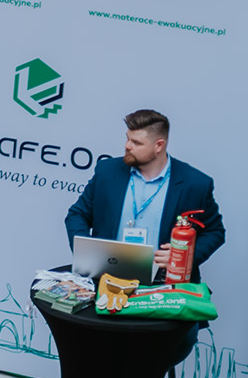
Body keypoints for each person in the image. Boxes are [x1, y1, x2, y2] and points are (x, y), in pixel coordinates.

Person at [64, 109, 224, 280]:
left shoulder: (195, 184)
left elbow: (215, 231)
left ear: (159, 146)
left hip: (162, 284)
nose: (127, 146)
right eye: (127, 138)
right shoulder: (107, 171)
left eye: (136, 143)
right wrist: (88, 254)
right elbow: (77, 214)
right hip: (106, 278)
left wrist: (185, 257)